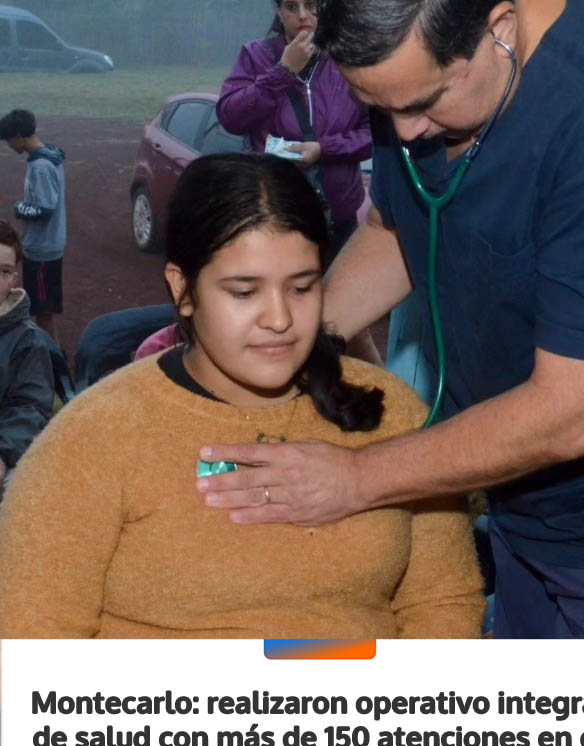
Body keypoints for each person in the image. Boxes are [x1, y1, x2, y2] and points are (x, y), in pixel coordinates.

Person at [194, 0, 584, 640]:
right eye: (378, 107)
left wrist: (354, 478)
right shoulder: (412, 75)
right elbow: (393, 227)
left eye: (424, 102)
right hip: (521, 510)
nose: (405, 134)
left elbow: (576, 412)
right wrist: (290, 341)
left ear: (500, 28)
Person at [0, 153, 484, 639]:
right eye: (244, 292)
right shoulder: (95, 437)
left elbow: (443, 603)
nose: (280, 319)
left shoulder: (393, 412)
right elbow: (32, 639)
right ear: (182, 289)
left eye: (302, 287)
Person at [216, 0, 372, 256]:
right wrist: (283, 71)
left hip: (338, 220)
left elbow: (373, 134)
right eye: (291, 6)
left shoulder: (348, 57)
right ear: (279, 12)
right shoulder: (256, 56)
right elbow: (230, 117)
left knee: (337, 282)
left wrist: (323, 150)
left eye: (311, 5)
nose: (302, 15)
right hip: (274, 217)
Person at [0, 109, 67, 346]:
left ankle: (51, 358)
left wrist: (20, 208)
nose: (9, 145)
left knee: (42, 311)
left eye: (9, 139)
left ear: (19, 135)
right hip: (46, 246)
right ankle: (53, 354)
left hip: (42, 250)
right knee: (43, 309)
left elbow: (45, 208)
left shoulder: (41, 166)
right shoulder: (50, 157)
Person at [0, 219, 54, 496]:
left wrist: (3, 452)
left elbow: (30, 409)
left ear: (13, 280)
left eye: (4, 271)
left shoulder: (27, 342)